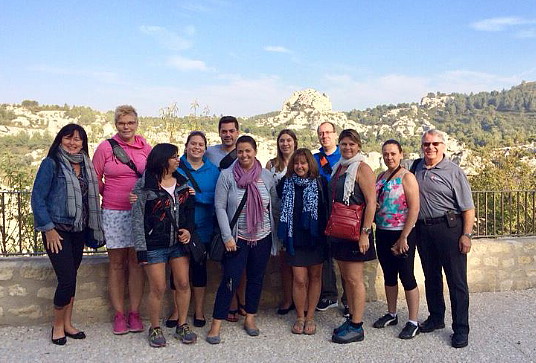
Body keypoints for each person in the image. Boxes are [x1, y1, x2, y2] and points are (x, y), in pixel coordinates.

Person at [31, 124, 105, 345]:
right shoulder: (51, 164)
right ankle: (57, 326)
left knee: (71, 277)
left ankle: (68, 323)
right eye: (68, 138)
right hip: (58, 231)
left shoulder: (86, 165)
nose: (73, 143)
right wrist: (49, 229)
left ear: (84, 143)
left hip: (79, 231)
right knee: (66, 279)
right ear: (60, 140)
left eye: (78, 139)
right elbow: (37, 198)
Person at [206, 135, 278, 344]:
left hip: (262, 237)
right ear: (236, 153)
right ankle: (216, 324)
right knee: (230, 280)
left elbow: (273, 205)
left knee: (256, 279)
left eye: (248, 151)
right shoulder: (228, 176)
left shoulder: (266, 176)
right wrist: (227, 236)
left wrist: (277, 236)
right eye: (240, 151)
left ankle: (250, 318)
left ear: (255, 151)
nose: (244, 155)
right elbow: (219, 206)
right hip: (236, 238)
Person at [412, 130, 475, 349]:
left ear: (443, 146)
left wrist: (466, 235)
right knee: (431, 277)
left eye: (435, 143)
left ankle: (461, 329)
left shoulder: (454, 172)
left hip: (450, 229)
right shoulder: (416, 167)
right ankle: (436, 318)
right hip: (424, 230)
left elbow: (468, 208)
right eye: (426, 144)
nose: (430, 147)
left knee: (456, 281)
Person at [92, 105, 151, 335]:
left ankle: (134, 313)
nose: (126, 127)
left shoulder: (145, 147)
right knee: (116, 264)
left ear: (137, 124)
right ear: (116, 125)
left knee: (137, 263)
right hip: (113, 211)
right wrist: (110, 194)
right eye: (122, 123)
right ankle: (119, 315)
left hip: (139, 212)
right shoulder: (105, 148)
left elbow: (152, 176)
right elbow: (95, 177)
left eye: (130, 123)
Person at [131, 143, 197, 348]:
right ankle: (155, 327)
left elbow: (188, 215)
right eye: (174, 157)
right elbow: (137, 220)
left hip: (178, 244)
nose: (178, 160)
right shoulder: (144, 187)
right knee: (158, 287)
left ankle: (183, 324)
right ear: (162, 160)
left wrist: (188, 231)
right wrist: (141, 249)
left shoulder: (183, 184)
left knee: (183, 284)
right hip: (154, 244)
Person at [166, 131, 220, 329]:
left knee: (199, 270)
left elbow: (217, 198)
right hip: (178, 227)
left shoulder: (213, 171)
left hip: (203, 228)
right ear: (186, 145)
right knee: (177, 272)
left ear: (205, 149)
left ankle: (198, 310)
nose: (197, 147)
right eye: (193, 144)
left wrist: (197, 197)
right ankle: (177, 310)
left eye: (201, 145)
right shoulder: (175, 166)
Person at [329, 129, 377, 344]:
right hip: (340, 230)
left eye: (351, 144)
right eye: (344, 144)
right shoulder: (339, 167)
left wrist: (365, 233)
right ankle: (351, 318)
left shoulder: (362, 168)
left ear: (358, 146)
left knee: (355, 279)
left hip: (356, 231)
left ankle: (357, 326)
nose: (347, 148)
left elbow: (371, 202)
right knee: (346, 278)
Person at [277, 148, 328, 335]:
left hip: (316, 239)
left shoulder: (320, 183)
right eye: (297, 163)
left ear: (310, 165)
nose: (300, 166)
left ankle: (311, 316)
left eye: (303, 163)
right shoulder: (285, 183)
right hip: (294, 239)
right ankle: (300, 316)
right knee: (299, 279)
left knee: (315, 277)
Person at [373, 139, 420, 339]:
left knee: (407, 276)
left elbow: (414, 208)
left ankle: (413, 321)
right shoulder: (380, 177)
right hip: (382, 231)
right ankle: (392, 313)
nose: (389, 157)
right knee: (389, 275)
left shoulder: (407, 177)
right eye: (385, 154)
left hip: (402, 232)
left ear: (401, 154)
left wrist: (404, 237)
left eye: (393, 153)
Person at [205, 115, 246, 321]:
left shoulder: (244, 151)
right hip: (218, 213)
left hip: (241, 215)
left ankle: (242, 299)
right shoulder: (210, 152)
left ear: (237, 132)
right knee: (226, 261)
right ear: (219, 132)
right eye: (224, 131)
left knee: (242, 262)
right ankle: (231, 302)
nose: (228, 134)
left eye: (231, 131)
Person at [312, 121, 347, 315]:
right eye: (321, 133)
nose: (324, 136)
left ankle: (348, 299)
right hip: (322, 212)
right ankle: (329, 294)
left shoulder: (345, 157)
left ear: (335, 134)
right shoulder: (315, 158)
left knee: (345, 256)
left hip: (342, 212)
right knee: (324, 255)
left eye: (328, 132)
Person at [266, 129, 298, 315]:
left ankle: (301, 298)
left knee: (300, 262)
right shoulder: (271, 164)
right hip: (278, 217)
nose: (285, 144)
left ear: (295, 142)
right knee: (284, 262)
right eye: (282, 141)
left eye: (288, 140)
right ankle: (288, 299)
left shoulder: (301, 162)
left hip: (297, 218)